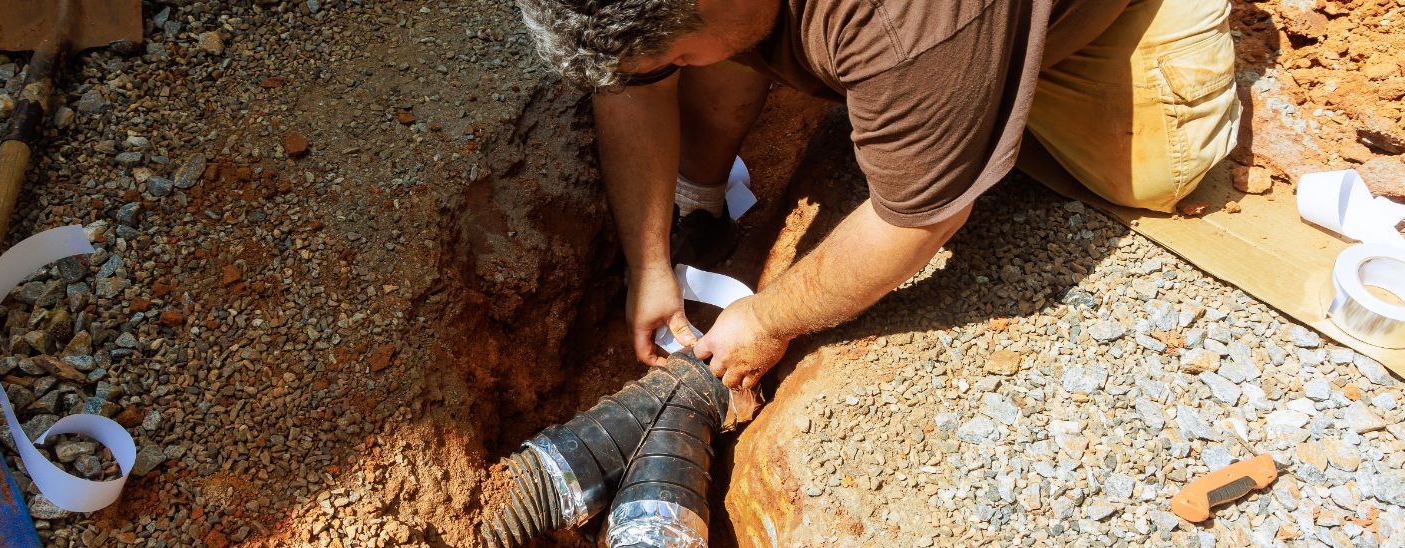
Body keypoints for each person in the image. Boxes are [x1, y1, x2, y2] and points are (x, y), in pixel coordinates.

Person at [515, 0, 1240, 390]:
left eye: (672, 58)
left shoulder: (910, 24)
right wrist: (650, 264)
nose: (670, 70)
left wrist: (767, 320)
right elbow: (636, 80)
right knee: (722, 44)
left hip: (1091, 25)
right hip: (907, 47)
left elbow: (918, 218)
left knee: (1155, 170)